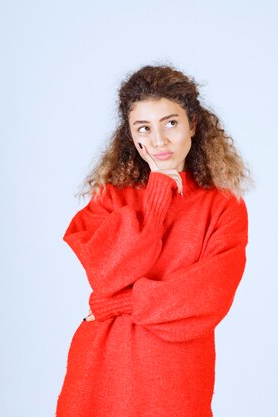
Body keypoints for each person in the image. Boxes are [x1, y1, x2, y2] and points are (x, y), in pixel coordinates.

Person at [55, 64, 251, 417]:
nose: (158, 141)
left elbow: (205, 298)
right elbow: (106, 275)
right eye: (143, 128)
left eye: (170, 123)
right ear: (131, 136)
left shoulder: (223, 207)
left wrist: (116, 305)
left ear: (192, 123)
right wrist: (160, 188)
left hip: (175, 374)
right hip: (102, 365)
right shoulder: (112, 198)